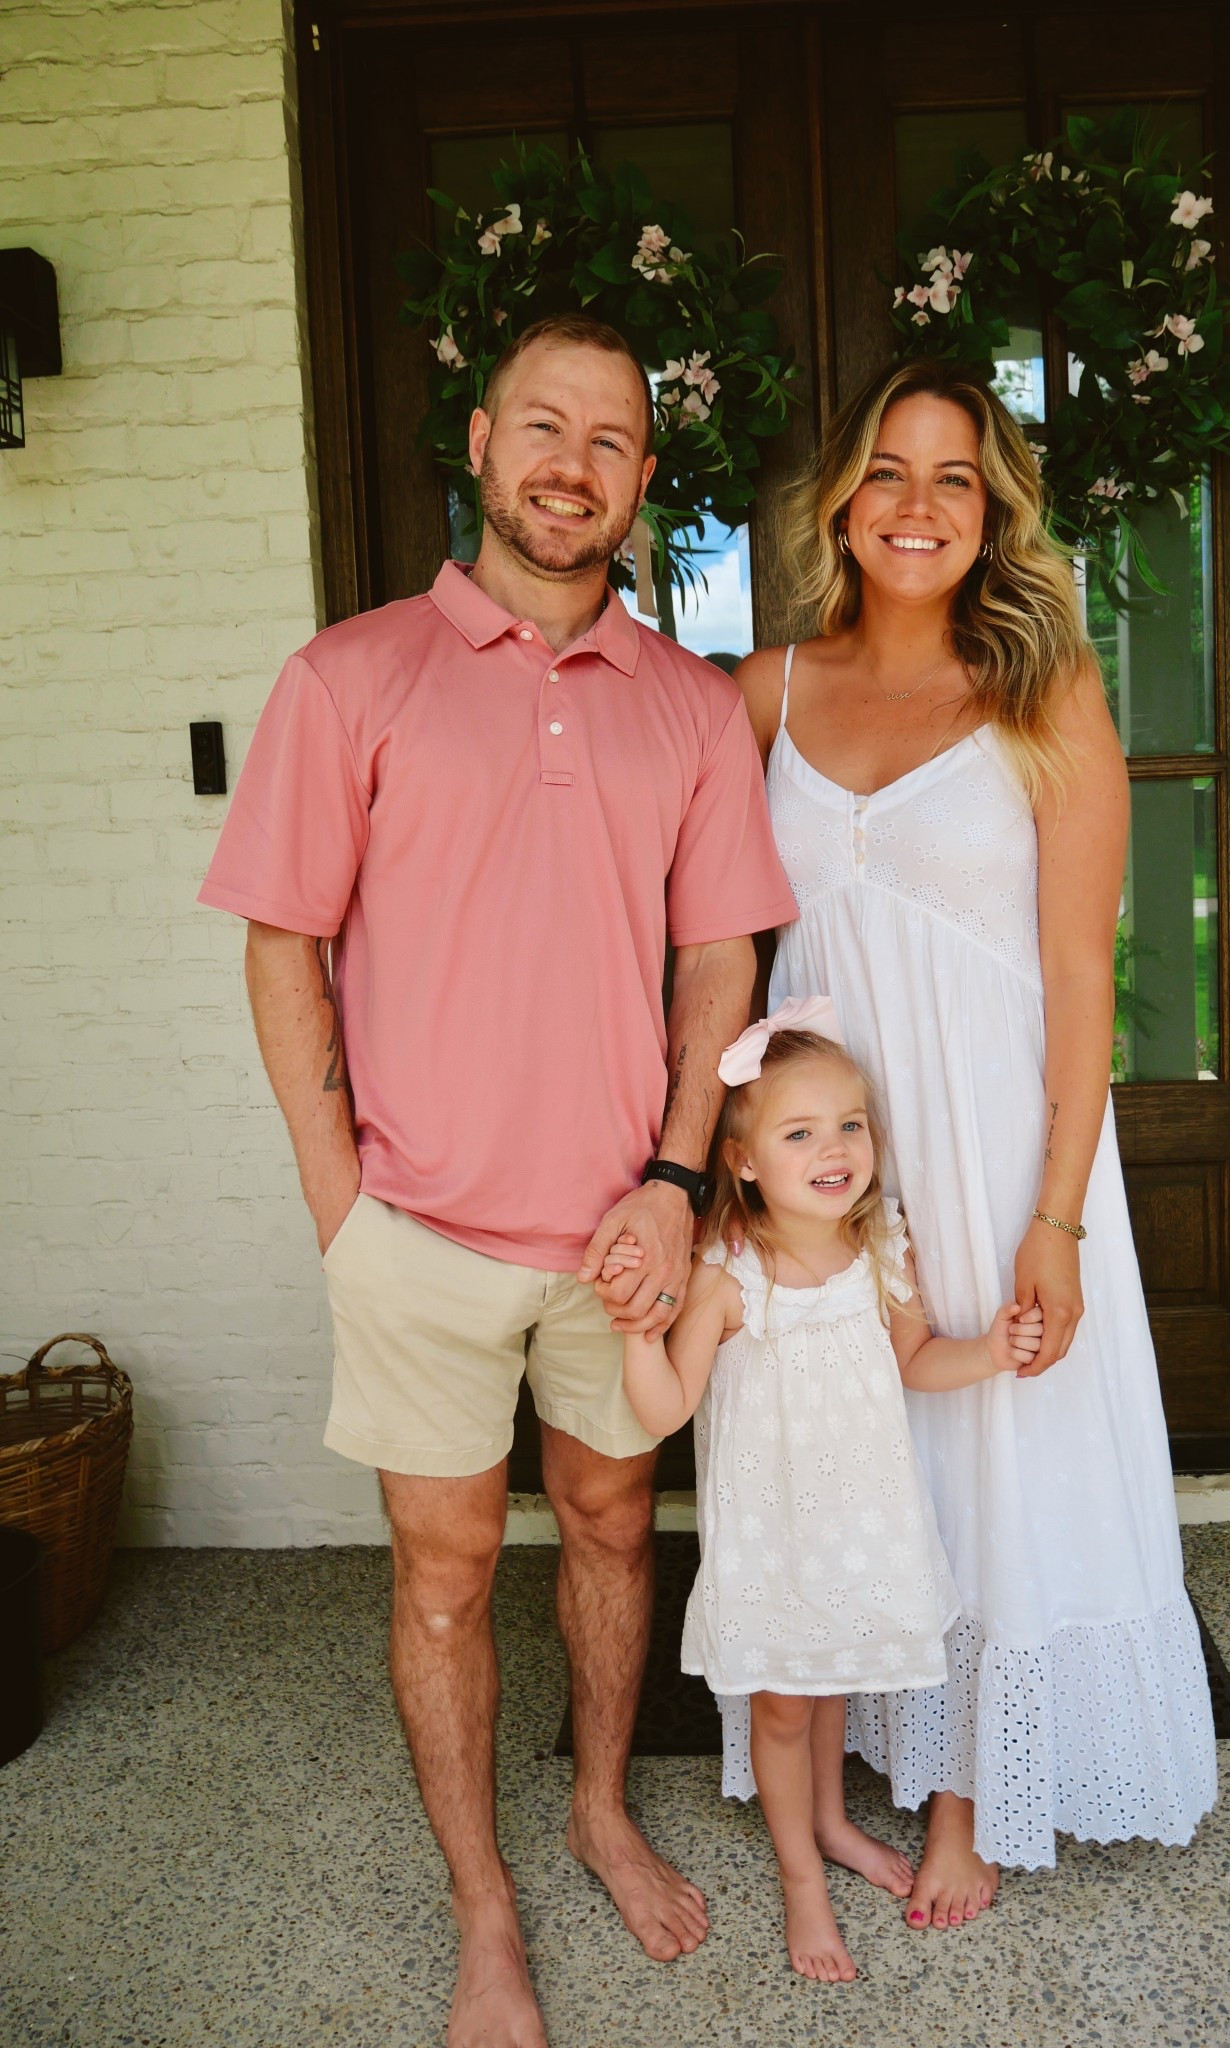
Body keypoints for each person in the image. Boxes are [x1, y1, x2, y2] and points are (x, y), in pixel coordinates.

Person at [198, 314, 799, 2048]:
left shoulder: (688, 708)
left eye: (611, 440)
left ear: (642, 480)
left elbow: (717, 960)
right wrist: (342, 1205)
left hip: (623, 1225)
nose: (574, 465)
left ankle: (601, 1804)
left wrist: (681, 1178)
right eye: (546, 425)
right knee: (446, 1571)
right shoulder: (350, 678)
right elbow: (285, 945)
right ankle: (483, 1907)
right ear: (477, 440)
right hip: (420, 1238)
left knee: (614, 1523)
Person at [733, 357, 1219, 1933]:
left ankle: (969, 1790)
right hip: (827, 1152)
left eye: (954, 476)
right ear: (843, 502)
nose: (918, 505)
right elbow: (708, 943)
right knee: (863, 1436)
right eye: (888, 470)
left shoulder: (1046, 690)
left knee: (997, 1436)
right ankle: (874, 1724)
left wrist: (1056, 1218)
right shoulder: (769, 691)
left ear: (994, 508)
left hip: (1001, 1137)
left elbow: (1084, 974)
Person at [603, 1003, 1043, 1980]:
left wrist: (991, 1351)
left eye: (850, 1123)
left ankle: (835, 1820)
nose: (834, 1146)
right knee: (785, 1708)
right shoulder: (729, 1275)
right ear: (747, 1159)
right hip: (774, 1539)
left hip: (860, 1526)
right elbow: (667, 1408)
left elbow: (915, 1358)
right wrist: (638, 1330)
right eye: (800, 1132)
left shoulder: (880, 1245)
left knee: (833, 1675)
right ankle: (801, 1875)